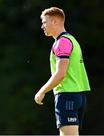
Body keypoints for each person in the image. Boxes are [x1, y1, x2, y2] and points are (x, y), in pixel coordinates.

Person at [34, 7, 91, 136]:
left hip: (67, 96)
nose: (42, 26)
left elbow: (61, 73)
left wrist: (42, 91)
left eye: (44, 22)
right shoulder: (72, 40)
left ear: (54, 22)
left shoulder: (61, 43)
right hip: (79, 96)